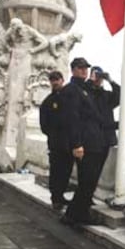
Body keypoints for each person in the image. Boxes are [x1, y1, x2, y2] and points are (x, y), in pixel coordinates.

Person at [60, 57, 105, 226]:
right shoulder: (71, 90)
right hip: (84, 143)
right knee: (87, 181)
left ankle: (74, 214)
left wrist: (99, 81)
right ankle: (77, 215)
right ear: (73, 69)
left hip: (93, 141)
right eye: (80, 68)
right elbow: (72, 119)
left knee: (89, 181)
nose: (84, 71)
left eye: (86, 68)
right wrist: (76, 144)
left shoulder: (84, 89)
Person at [39, 70, 73, 210]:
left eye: (57, 79)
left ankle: (61, 196)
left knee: (66, 172)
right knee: (56, 172)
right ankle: (56, 198)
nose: (55, 82)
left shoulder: (69, 99)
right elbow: (44, 126)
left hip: (69, 143)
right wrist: (55, 136)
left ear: (62, 80)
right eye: (52, 80)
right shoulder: (48, 102)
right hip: (56, 144)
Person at [85, 66, 120, 191]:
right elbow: (81, 92)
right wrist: (90, 81)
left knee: (97, 172)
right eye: (96, 76)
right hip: (91, 140)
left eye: (100, 77)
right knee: (87, 173)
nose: (99, 79)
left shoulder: (106, 96)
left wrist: (111, 81)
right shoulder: (86, 93)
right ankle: (85, 199)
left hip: (105, 140)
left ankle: (89, 196)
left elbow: (121, 96)